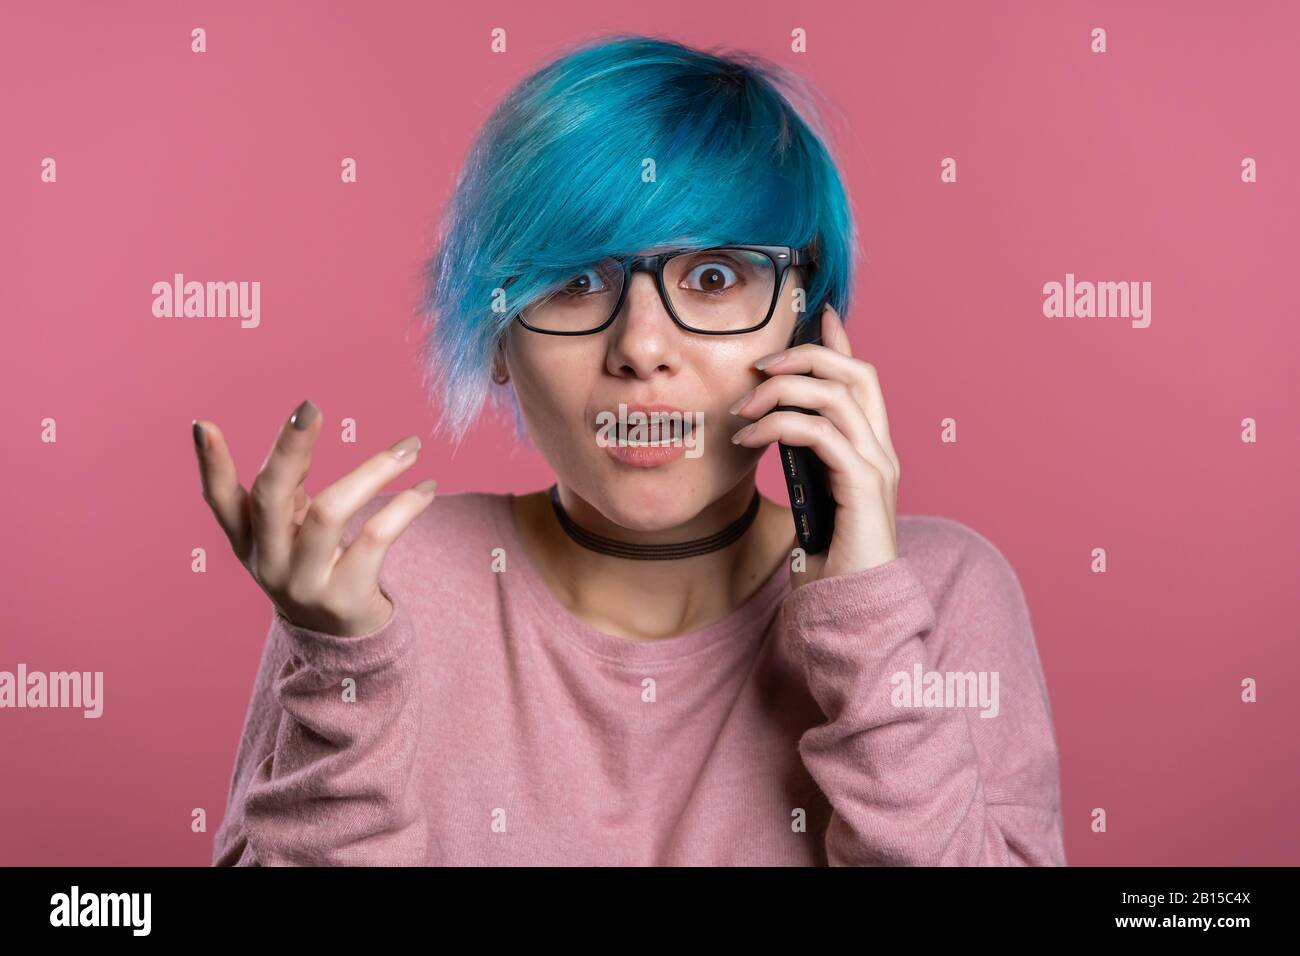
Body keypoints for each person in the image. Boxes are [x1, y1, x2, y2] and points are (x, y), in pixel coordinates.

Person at [196, 35, 1066, 866]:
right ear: (497, 337)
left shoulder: (942, 593)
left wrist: (867, 623)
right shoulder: (379, 589)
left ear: (810, 324)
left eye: (716, 277)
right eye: (577, 283)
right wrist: (343, 670)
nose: (641, 346)